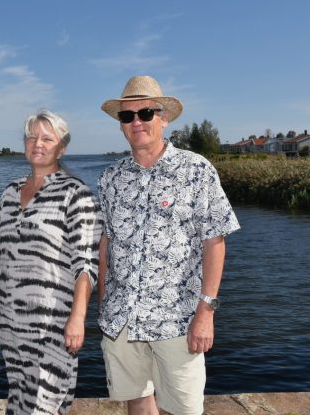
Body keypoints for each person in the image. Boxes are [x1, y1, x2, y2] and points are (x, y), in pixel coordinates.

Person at [97, 75, 240, 415]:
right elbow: (105, 243)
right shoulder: (110, 178)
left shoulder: (196, 170)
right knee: (138, 402)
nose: (137, 122)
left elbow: (215, 242)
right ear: (120, 126)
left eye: (146, 113)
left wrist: (206, 312)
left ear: (163, 118)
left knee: (185, 409)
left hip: (178, 319)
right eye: (127, 116)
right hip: (122, 316)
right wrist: (103, 301)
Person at [0, 109, 103, 415]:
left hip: (53, 320)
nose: (38, 143)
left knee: (47, 402)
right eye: (32, 136)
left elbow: (87, 264)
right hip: (11, 318)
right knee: (20, 395)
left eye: (47, 138)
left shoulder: (77, 194)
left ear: (61, 147)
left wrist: (78, 318)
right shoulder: (9, 193)